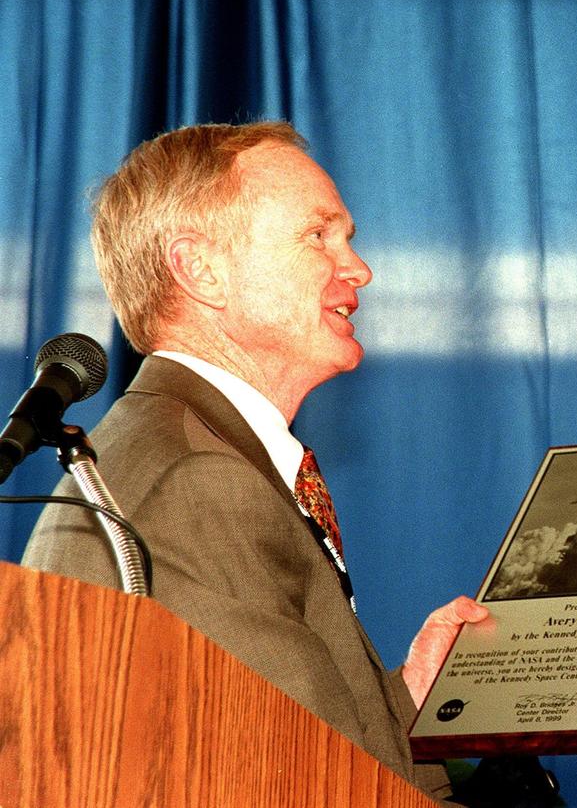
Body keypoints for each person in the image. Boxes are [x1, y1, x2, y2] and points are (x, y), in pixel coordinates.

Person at [21, 123, 489, 802]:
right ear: (200, 270)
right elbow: (321, 793)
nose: (359, 268)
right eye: (319, 235)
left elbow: (286, 754)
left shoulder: (180, 447)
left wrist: (412, 699)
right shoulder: (198, 484)